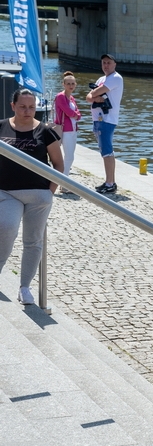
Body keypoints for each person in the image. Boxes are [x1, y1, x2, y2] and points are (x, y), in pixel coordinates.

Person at [0, 88, 64, 305]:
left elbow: (58, 164)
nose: (27, 111)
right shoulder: (1, 127)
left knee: (33, 241)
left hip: (39, 194)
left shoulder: (45, 132)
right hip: (7, 192)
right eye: (22, 107)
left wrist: (50, 191)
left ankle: (25, 287)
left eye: (31, 107)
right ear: (13, 106)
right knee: (6, 228)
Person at [86, 54, 123, 194]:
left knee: (107, 152)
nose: (106, 65)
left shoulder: (116, 78)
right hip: (98, 119)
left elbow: (94, 92)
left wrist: (95, 95)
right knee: (104, 151)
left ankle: (110, 183)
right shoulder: (102, 79)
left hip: (107, 119)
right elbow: (89, 97)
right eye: (103, 63)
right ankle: (109, 181)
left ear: (114, 64)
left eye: (108, 63)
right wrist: (95, 96)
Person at [54, 71, 81, 189]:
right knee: (69, 156)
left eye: (73, 84)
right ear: (63, 84)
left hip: (73, 129)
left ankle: (63, 180)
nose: (71, 86)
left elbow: (78, 113)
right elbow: (67, 111)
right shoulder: (60, 96)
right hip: (65, 129)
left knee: (70, 156)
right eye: (68, 83)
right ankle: (63, 183)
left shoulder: (72, 98)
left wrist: (76, 115)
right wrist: (75, 115)